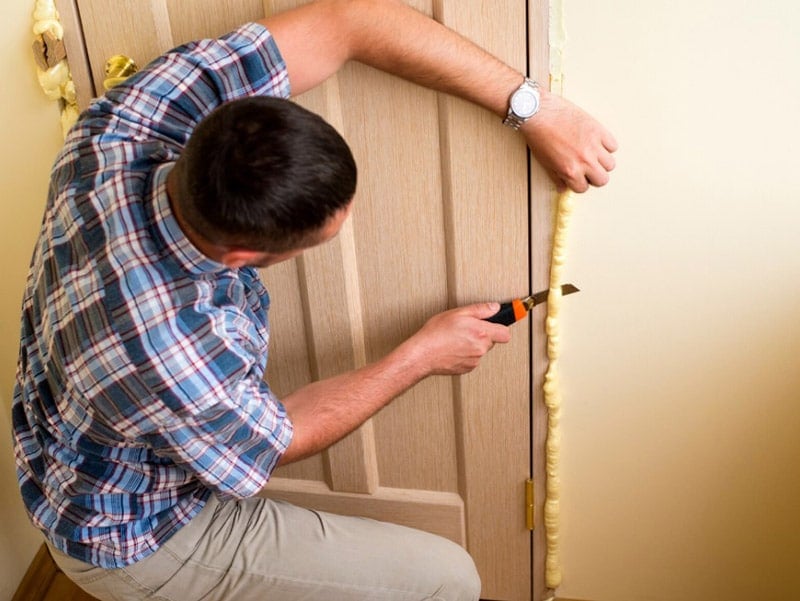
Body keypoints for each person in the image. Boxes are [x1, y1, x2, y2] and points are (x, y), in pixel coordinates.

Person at [12, 1, 617, 600]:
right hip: (138, 538)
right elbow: (285, 436)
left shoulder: (124, 128)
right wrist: (422, 355)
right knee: (449, 578)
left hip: (65, 457)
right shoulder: (169, 351)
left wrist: (533, 108)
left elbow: (349, 22)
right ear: (244, 257)